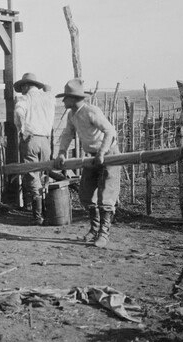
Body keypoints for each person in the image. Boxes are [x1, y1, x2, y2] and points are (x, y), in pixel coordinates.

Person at [54, 78, 121, 248]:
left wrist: (102, 152)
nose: (63, 101)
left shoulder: (91, 111)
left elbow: (110, 131)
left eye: (66, 97)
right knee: (86, 194)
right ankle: (94, 229)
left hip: (109, 154)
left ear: (75, 98)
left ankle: (104, 235)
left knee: (106, 196)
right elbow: (68, 134)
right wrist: (61, 153)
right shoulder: (72, 115)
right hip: (92, 157)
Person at [13, 72, 56, 225]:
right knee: (45, 173)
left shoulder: (24, 98)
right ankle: (49, 212)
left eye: (22, 86)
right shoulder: (48, 98)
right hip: (45, 140)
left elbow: (18, 112)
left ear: (25, 85)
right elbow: (50, 92)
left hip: (30, 139)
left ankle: (38, 216)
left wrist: (21, 128)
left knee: (32, 175)